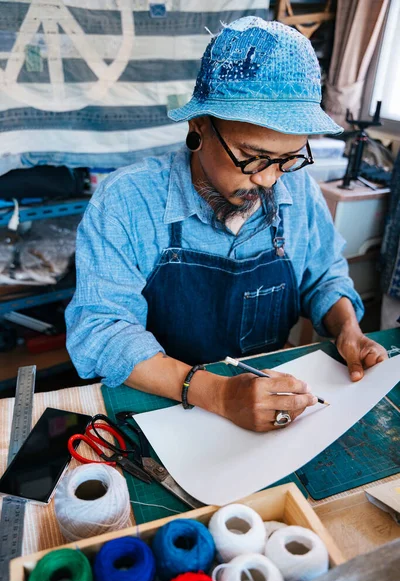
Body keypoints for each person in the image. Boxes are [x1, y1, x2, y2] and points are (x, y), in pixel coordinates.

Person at [66, 17, 387, 432]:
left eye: (288, 159)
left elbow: (324, 275)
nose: (270, 179)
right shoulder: (127, 200)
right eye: (252, 158)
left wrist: (348, 328)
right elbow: (103, 329)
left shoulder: (298, 192)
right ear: (198, 127)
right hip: (161, 406)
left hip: (269, 405)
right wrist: (217, 393)